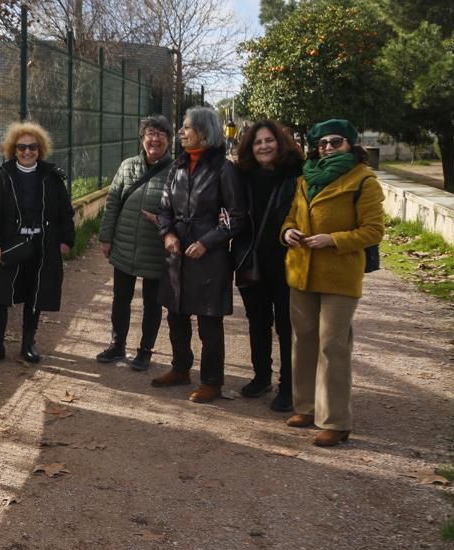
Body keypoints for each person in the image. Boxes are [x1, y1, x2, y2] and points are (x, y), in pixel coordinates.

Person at [280, 118, 384, 447]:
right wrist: (287, 232)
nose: (327, 148)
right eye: (322, 143)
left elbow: (373, 231)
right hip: (301, 270)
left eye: (334, 142)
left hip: (339, 275)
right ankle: (306, 407)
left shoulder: (363, 180)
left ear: (350, 144)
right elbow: (291, 217)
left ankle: (336, 421)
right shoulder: (305, 177)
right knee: (304, 340)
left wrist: (333, 239)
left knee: (332, 345)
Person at [152, 107, 247, 403]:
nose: (181, 131)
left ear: (204, 132)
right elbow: (165, 208)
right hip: (176, 252)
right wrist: (167, 234)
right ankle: (180, 368)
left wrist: (208, 242)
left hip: (209, 257)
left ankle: (212, 382)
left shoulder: (224, 169)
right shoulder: (178, 166)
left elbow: (237, 216)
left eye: (186, 127)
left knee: (209, 321)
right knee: (176, 314)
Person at [0, 121, 75, 364]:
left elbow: (65, 212)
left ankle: (28, 343)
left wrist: (66, 240)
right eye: (21, 147)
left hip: (42, 246)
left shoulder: (51, 177)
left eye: (33, 147)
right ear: (14, 149)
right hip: (10, 246)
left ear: (40, 149)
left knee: (36, 293)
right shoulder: (2, 177)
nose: (27, 152)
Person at [231, 120, 304, 411]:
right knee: (257, 322)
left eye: (269, 140)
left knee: (287, 326)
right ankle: (261, 376)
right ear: (251, 147)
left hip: (288, 260)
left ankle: (288, 387)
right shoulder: (242, 176)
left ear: (280, 142)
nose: (263, 146)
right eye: (258, 142)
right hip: (251, 258)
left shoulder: (297, 173)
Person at [95, 116, 175, 371]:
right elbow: (112, 203)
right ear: (142, 139)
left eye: (161, 134)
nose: (155, 139)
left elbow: (183, 209)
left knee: (153, 303)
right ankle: (117, 345)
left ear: (169, 141)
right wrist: (106, 238)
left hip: (156, 248)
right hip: (125, 245)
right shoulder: (128, 166)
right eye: (151, 133)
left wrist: (163, 221)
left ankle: (145, 351)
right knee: (121, 298)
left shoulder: (176, 171)